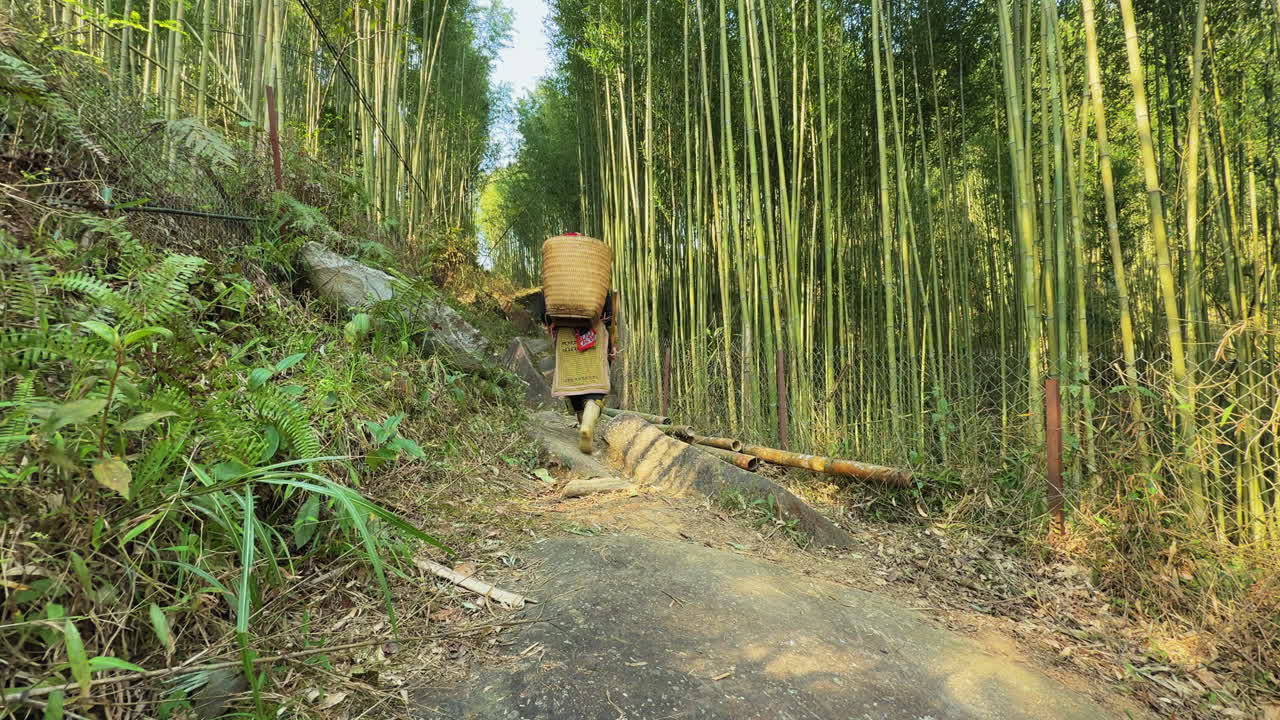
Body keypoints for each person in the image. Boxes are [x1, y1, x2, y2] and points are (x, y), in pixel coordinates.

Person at [543, 233, 616, 454]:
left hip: (565, 334)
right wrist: (611, 346)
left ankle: (580, 421)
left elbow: (543, 315)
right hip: (593, 331)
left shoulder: (554, 286)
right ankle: (588, 424)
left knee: (572, 380)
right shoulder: (597, 284)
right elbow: (610, 315)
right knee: (596, 385)